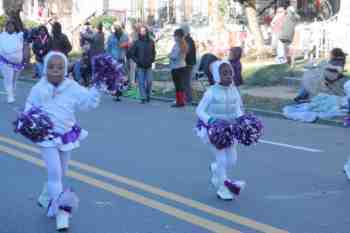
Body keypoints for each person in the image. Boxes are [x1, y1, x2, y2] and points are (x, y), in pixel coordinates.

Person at [26, 51, 100, 231]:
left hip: (66, 134)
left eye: (60, 67)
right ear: (45, 69)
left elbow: (88, 102)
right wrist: (31, 121)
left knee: (62, 172)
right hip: (47, 138)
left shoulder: (72, 87)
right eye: (51, 67)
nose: (56, 70)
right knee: (55, 173)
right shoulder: (39, 88)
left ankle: (47, 197)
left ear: (65, 69)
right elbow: (29, 108)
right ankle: (62, 215)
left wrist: (99, 87)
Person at [196, 60, 246, 200]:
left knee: (232, 160)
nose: (229, 76)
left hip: (230, 130)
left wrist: (243, 120)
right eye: (224, 73)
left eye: (230, 73)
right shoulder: (211, 92)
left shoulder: (234, 90)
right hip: (213, 131)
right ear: (217, 76)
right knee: (222, 160)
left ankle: (215, 168)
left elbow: (237, 109)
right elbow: (199, 110)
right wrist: (211, 121)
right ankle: (223, 188)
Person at [0, 19, 25, 103]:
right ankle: (9, 95)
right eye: (8, 25)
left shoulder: (19, 35)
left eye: (12, 25)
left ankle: (12, 92)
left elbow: (24, 45)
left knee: (14, 79)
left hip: (17, 63)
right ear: (6, 27)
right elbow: (3, 48)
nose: (10, 27)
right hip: (5, 62)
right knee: (8, 79)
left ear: (15, 27)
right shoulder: (2, 36)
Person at [129, 25, 156, 104]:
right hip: (140, 65)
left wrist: (152, 59)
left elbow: (154, 52)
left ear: (147, 32)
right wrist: (137, 61)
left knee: (149, 81)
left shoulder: (151, 42)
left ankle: (148, 95)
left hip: (149, 65)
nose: (142, 32)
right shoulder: (137, 42)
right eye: (141, 31)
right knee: (141, 82)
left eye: (144, 31)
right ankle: (143, 97)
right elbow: (132, 54)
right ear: (139, 32)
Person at [169, 28, 188, 107]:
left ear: (179, 36)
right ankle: (182, 101)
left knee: (178, 85)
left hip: (176, 67)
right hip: (182, 66)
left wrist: (169, 55)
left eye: (175, 36)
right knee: (181, 85)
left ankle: (179, 102)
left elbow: (174, 56)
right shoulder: (183, 44)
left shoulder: (178, 45)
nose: (174, 37)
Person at [181, 24, 196, 105]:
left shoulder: (187, 40)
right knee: (186, 81)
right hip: (188, 63)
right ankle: (187, 98)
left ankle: (188, 98)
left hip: (187, 63)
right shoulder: (189, 39)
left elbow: (186, 52)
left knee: (185, 81)